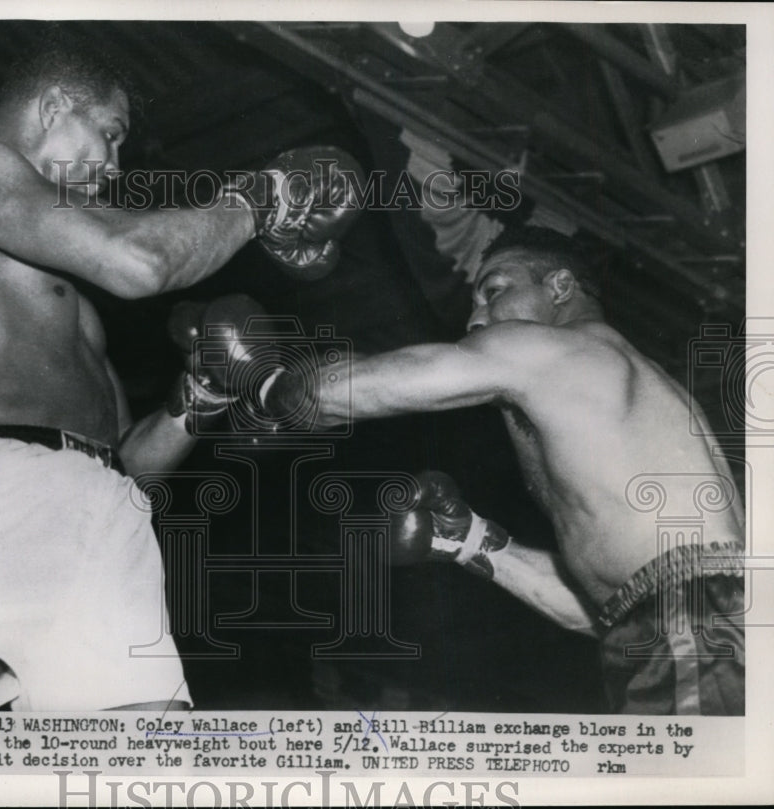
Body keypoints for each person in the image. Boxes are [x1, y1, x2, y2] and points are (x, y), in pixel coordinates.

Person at [0, 38, 362, 713]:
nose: (112, 164)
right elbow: (138, 262)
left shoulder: (72, 305)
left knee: (150, 777)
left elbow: (124, 466)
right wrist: (269, 193)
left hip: (111, 520)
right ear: (53, 107)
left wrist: (199, 397)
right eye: (108, 134)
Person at [201, 225, 746, 715]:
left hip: (697, 631)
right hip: (690, 630)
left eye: (496, 289)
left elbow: (358, 390)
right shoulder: (623, 407)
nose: (476, 317)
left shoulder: (554, 349)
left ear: (559, 288)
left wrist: (268, 382)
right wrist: (470, 542)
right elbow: (603, 610)